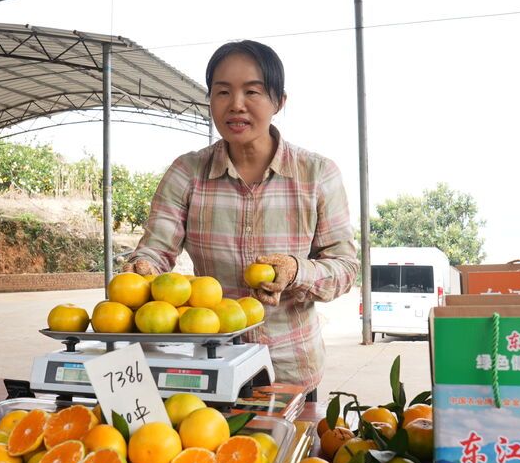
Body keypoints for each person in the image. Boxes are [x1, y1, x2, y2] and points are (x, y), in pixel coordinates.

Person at [124, 40, 358, 392]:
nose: (236, 105)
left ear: (279, 101)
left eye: (252, 91)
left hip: (289, 371)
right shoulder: (187, 173)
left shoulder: (317, 174)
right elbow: (155, 253)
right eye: (222, 92)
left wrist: (296, 272)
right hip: (210, 367)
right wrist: (141, 267)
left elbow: (345, 268)